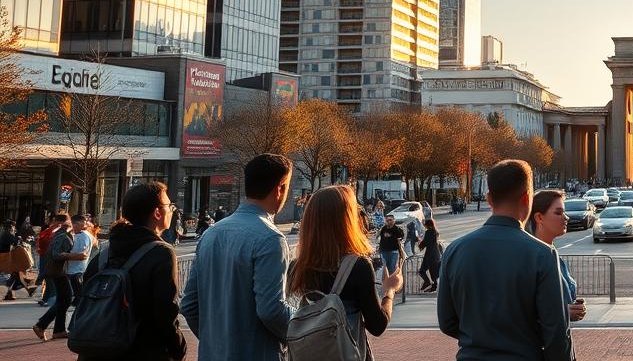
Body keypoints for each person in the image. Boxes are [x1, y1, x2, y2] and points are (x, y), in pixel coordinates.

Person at [438, 159, 573, 360]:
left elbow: (447, 322)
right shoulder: (542, 254)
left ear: (489, 199)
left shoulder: (454, 250)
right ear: (527, 199)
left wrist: (482, 338)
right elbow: (556, 332)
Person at [180, 154, 295, 361]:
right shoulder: (271, 239)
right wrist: (301, 324)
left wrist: (215, 342)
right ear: (280, 189)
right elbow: (271, 310)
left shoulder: (211, 234)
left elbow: (189, 304)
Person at [75, 181, 187, 361]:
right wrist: (178, 348)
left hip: (96, 351)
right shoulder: (161, 253)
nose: (172, 210)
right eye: (169, 206)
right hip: (142, 351)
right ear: (157, 212)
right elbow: (166, 313)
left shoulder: (105, 254)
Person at [288, 185, 401, 359]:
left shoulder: (298, 266)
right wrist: (390, 291)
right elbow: (377, 325)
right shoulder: (357, 266)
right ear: (346, 220)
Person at [526, 189, 586, 324]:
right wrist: (564, 312)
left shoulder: (553, 255)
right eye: (558, 213)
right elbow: (519, 311)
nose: (566, 217)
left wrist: (573, 308)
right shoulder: (531, 258)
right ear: (539, 217)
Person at [33, 213, 78, 341]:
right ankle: (42, 325)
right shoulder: (63, 235)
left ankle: (57, 330)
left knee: (63, 300)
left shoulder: (59, 233)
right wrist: (76, 256)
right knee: (66, 299)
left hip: (57, 271)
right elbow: (57, 254)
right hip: (59, 271)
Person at [67, 215, 94, 306]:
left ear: (78, 224)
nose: (71, 227)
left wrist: (64, 255)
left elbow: (82, 254)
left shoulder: (83, 236)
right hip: (74, 268)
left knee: (78, 291)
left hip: (77, 269)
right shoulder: (79, 235)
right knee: (76, 291)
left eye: (72, 225)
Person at [35, 214, 57, 306]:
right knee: (48, 279)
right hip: (46, 256)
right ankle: (47, 298)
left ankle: (49, 299)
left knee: (50, 279)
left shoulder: (53, 231)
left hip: (49, 257)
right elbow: (40, 242)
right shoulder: (49, 230)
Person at [418, 217, 441, 292]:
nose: (424, 226)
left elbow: (426, 242)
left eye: (425, 225)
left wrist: (420, 243)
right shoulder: (435, 231)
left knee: (423, 270)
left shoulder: (429, 232)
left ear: (428, 225)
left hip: (430, 254)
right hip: (435, 253)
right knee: (434, 271)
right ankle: (432, 286)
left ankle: (428, 283)